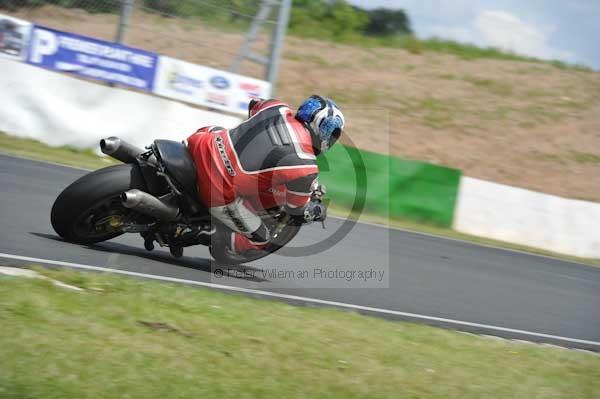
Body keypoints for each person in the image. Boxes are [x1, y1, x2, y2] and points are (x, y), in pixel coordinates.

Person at [185, 95, 345, 255]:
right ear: (322, 131)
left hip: (202, 142)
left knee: (217, 129)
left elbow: (254, 104)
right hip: (217, 187)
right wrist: (318, 211)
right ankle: (205, 235)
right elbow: (297, 210)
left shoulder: (277, 108)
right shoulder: (305, 165)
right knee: (262, 239)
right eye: (331, 133)